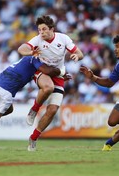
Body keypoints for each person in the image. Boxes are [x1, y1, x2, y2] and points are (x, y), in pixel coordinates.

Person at [17, 15, 84, 151]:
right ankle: (34, 110)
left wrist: (77, 56)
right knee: (48, 87)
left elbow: (79, 53)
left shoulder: (63, 38)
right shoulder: (37, 40)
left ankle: (34, 137)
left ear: (52, 29)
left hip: (58, 74)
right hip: (42, 71)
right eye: (39, 30)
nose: (41, 32)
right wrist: (31, 52)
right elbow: (21, 49)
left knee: (52, 110)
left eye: (44, 29)